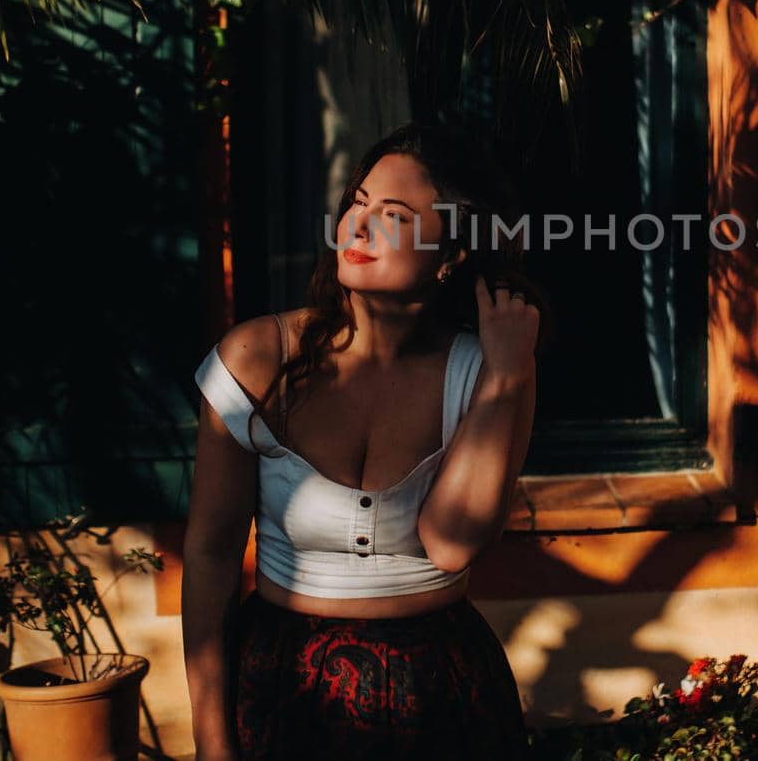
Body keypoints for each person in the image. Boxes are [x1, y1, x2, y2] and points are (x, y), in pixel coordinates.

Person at [181, 121, 547, 761]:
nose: (359, 227)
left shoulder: (489, 367)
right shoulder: (258, 357)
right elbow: (211, 553)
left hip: (441, 696)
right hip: (283, 688)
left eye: (396, 215)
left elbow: (453, 543)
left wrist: (506, 375)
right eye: (358, 202)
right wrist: (211, 741)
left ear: (453, 255)